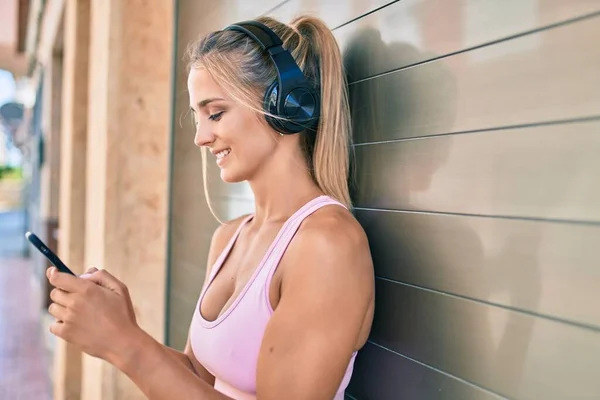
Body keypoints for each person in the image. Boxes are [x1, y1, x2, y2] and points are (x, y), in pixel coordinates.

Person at [45, 15, 375, 400]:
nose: (201, 137)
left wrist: (126, 344)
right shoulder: (228, 237)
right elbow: (200, 380)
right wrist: (118, 329)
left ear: (286, 104)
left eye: (215, 113)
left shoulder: (327, 245)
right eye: (197, 117)